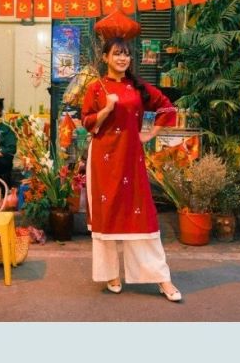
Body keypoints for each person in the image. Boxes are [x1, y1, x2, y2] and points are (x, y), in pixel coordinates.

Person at [82, 37, 182, 303]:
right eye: (116, 54)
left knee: (142, 216)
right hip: (103, 158)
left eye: (126, 54)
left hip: (131, 158)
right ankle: (111, 273)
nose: (122, 59)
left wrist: (149, 134)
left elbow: (166, 106)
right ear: (105, 58)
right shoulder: (96, 88)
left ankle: (163, 278)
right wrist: (107, 109)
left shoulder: (138, 88)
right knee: (108, 213)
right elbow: (87, 122)